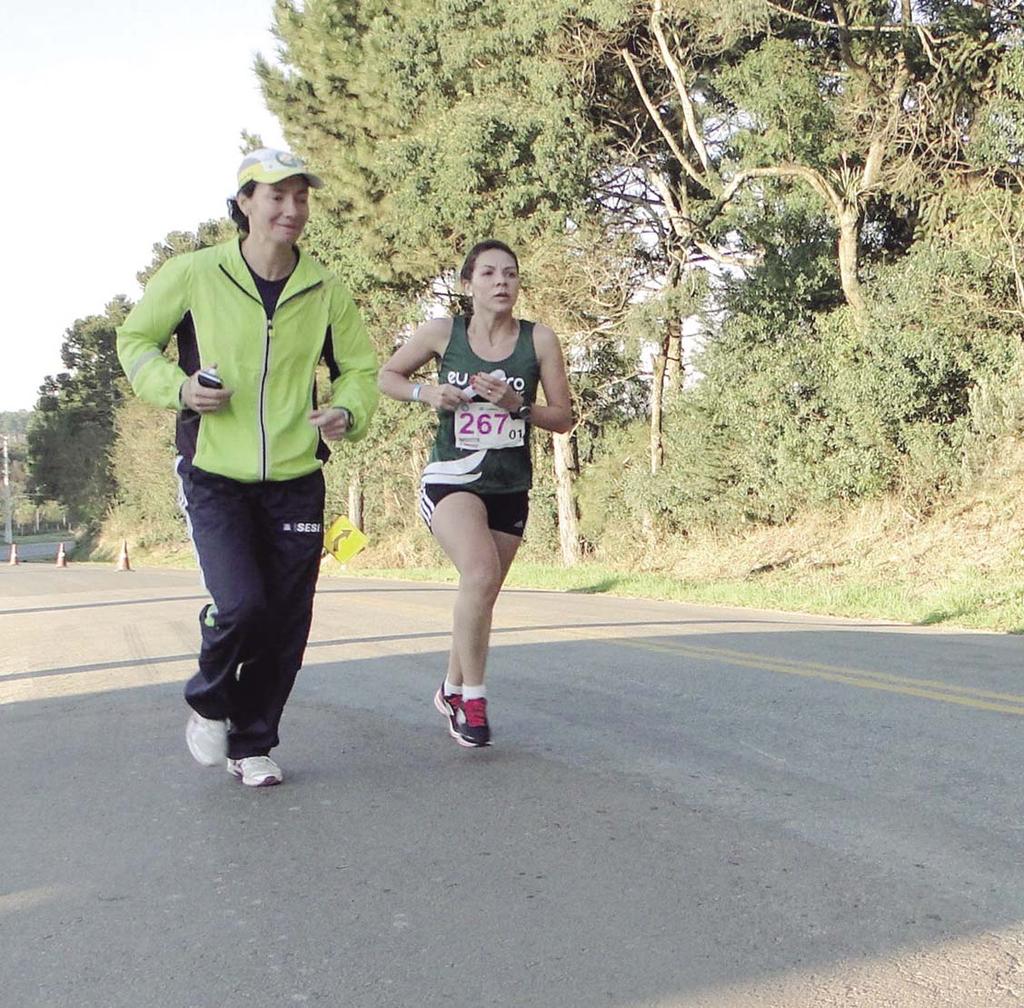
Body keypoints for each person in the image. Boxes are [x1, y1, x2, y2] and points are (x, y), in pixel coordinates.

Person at [116, 148, 378, 786]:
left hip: (295, 477)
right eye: (275, 196)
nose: (291, 209)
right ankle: (209, 699)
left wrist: (347, 411)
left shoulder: (324, 287)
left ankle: (253, 745)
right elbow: (134, 340)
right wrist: (177, 389)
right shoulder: (195, 274)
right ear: (244, 204)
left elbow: (361, 371)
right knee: (241, 605)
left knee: (286, 622)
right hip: (214, 472)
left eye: (300, 197)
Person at [378, 240, 573, 746]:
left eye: (509, 273)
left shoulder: (540, 340)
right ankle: (475, 701)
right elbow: (388, 376)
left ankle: (449, 688)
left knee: (481, 593)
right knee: (480, 571)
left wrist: (517, 404)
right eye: (488, 274)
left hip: (509, 483)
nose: (501, 282)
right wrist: (428, 392)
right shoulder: (443, 333)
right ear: (469, 285)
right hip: (452, 476)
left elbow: (564, 418)